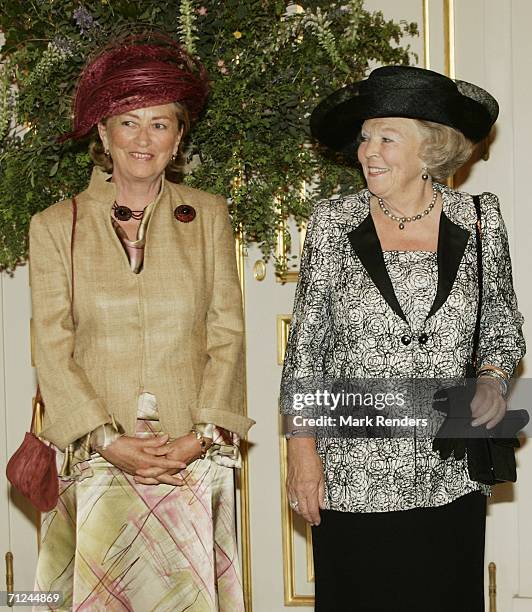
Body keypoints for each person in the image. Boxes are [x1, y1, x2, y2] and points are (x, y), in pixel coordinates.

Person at [280, 65, 525, 612]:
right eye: (365, 137)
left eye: (387, 138)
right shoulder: (332, 221)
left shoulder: (481, 219)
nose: (369, 150)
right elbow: (306, 352)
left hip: (448, 469)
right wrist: (301, 452)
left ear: (430, 148)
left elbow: (503, 327)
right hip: (351, 471)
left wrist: (491, 379)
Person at [30, 34, 254, 611]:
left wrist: (200, 436)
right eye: (128, 122)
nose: (143, 138)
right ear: (103, 134)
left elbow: (226, 333)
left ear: (179, 138)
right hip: (98, 462)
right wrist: (106, 441)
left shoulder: (208, 215)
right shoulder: (55, 225)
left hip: (191, 460)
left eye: (160, 123)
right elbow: (52, 348)